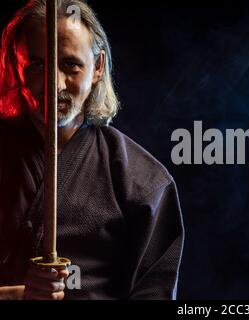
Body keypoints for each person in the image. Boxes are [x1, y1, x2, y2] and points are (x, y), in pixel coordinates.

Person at [0, 0, 184, 300]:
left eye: (70, 64)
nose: (54, 84)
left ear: (97, 67)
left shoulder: (142, 182)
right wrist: (14, 296)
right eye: (36, 65)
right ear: (14, 67)